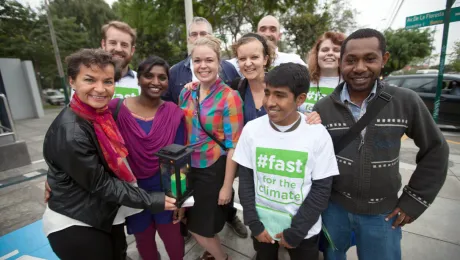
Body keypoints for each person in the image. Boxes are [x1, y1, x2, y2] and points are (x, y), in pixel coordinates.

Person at [313, 28, 449, 260]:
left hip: (383, 214)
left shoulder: (406, 101)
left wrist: (413, 200)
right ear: (341, 63)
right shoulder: (323, 108)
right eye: (351, 60)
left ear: (383, 59)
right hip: (333, 210)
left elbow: (436, 149)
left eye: (370, 58)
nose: (359, 68)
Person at [42, 49, 177, 260]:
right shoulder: (73, 132)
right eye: (89, 80)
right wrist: (153, 199)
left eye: (107, 81)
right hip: (76, 222)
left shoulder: (100, 115)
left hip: (103, 214)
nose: (100, 89)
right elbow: (101, 184)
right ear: (72, 81)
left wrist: (54, 175)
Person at [233, 63, 339, 260]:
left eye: (280, 95)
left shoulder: (317, 134)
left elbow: (322, 188)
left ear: (300, 99)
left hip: (303, 231)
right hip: (262, 227)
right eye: (267, 93)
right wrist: (253, 222)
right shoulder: (251, 130)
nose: (270, 102)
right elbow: (246, 180)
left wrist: (297, 231)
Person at [108, 56, 186, 260]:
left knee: (173, 240)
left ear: (168, 82)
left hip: (166, 193)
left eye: (162, 77)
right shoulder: (115, 109)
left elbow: (178, 162)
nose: (155, 82)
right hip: (132, 192)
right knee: (144, 242)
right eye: (149, 75)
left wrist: (180, 201)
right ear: (138, 78)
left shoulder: (174, 113)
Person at [179, 35, 244, 260]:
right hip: (187, 167)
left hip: (212, 168)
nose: (203, 66)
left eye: (209, 60)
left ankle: (221, 257)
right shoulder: (187, 92)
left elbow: (234, 145)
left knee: (200, 227)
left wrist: (227, 186)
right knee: (188, 218)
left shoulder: (230, 97)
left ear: (218, 63)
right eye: (197, 61)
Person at [164, 17, 240, 105]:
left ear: (211, 37)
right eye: (194, 34)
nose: (199, 38)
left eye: (203, 33)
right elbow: (167, 106)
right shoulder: (175, 72)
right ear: (188, 40)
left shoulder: (229, 69)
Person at [70, 21, 140, 99]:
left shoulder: (142, 82)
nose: (118, 49)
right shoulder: (85, 79)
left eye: (124, 45)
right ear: (103, 44)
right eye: (113, 43)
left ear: (132, 50)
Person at [228, 15, 306, 74]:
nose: (267, 34)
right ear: (257, 33)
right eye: (263, 29)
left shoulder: (293, 61)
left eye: (273, 29)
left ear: (279, 35)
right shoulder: (236, 63)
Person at [299, 31, 346, 113]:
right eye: (325, 50)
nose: (330, 53)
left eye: (336, 50)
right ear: (317, 54)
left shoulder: (349, 85)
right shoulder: (302, 80)